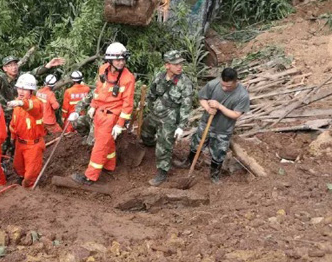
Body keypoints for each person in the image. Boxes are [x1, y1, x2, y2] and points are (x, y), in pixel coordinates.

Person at [71, 42, 135, 185]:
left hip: (111, 116)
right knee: (108, 142)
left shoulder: (127, 78)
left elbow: (127, 104)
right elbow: (99, 89)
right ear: (110, 60)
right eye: (118, 59)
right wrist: (93, 105)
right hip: (99, 113)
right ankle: (109, 165)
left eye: (123, 59)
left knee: (100, 146)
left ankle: (90, 177)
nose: (121, 62)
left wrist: (120, 124)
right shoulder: (103, 70)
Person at [176, 67, 250, 184]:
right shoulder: (213, 84)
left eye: (228, 86)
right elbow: (202, 98)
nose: (225, 88)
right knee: (197, 143)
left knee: (218, 152)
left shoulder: (242, 95)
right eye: (223, 85)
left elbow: (235, 114)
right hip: (206, 123)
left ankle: (214, 175)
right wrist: (208, 108)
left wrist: (219, 106)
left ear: (236, 81)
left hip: (223, 129)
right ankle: (188, 162)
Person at [0, 55, 65, 153]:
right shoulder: (3, 79)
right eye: (10, 65)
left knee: (22, 136)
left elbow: (34, 73)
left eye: (15, 64)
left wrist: (48, 65)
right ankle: (3, 157)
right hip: (8, 114)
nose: (14, 67)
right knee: (5, 138)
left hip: (23, 111)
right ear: (5, 68)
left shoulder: (22, 76)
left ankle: (17, 154)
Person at [141, 50, 194, 186]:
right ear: (167, 65)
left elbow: (186, 105)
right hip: (157, 111)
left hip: (171, 115)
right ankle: (150, 146)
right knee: (145, 131)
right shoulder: (160, 77)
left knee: (164, 144)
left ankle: (162, 171)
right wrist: (148, 104)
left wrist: (181, 126)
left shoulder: (184, 82)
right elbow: (152, 93)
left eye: (180, 63)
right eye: (175, 64)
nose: (179, 66)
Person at [7, 73, 46, 188]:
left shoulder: (36, 103)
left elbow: (31, 107)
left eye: (25, 89)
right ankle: (21, 179)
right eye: (20, 88)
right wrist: (12, 139)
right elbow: (14, 123)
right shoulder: (17, 104)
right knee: (18, 167)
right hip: (20, 143)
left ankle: (28, 188)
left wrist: (20, 103)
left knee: (30, 175)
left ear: (31, 90)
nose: (21, 91)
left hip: (33, 146)